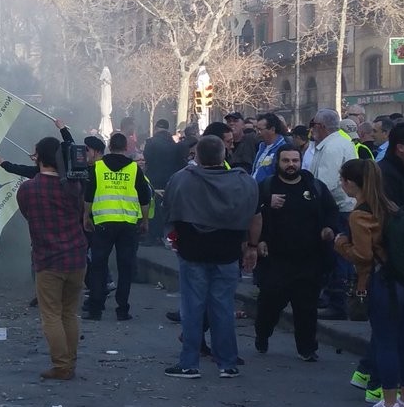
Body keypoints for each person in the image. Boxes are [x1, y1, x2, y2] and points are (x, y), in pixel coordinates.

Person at [164, 135, 258, 378]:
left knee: (192, 308)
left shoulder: (182, 179)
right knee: (223, 308)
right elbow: (254, 214)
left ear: (197, 156)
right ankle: (227, 363)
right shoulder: (243, 182)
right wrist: (251, 246)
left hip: (192, 251)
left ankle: (189, 363)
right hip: (227, 252)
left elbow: (170, 210)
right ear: (224, 155)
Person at [334, 159, 404, 407]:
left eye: (343, 180)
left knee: (385, 342)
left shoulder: (360, 214)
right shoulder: (391, 206)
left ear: (350, 183)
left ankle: (389, 403)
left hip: (382, 283)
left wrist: (340, 244)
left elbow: (363, 254)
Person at [249, 146, 338, 360]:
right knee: (269, 305)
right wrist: (259, 241)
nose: (291, 165)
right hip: (276, 259)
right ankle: (262, 334)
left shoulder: (314, 187)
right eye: (286, 161)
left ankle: (307, 348)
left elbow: (331, 211)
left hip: (309, 259)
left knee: (306, 308)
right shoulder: (267, 187)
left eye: (295, 160)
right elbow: (252, 212)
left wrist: (329, 228)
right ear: (278, 163)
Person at [16, 134, 87, 380]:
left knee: (51, 315)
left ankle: (61, 365)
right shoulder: (74, 186)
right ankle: (71, 361)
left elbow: (27, 214)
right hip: (76, 257)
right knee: (69, 313)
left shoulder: (28, 189)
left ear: (39, 158)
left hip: (48, 259)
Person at [83, 133, 151, 321]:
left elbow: (89, 195)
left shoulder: (97, 168)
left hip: (102, 223)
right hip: (128, 225)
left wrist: (86, 216)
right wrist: (145, 221)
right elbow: (144, 198)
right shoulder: (134, 169)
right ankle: (122, 310)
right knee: (125, 267)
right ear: (126, 148)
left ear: (110, 146)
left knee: (98, 266)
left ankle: (96, 309)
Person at [308, 108, 359, 320]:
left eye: (314, 126)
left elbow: (326, 184)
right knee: (337, 255)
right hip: (341, 208)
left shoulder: (332, 148)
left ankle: (338, 303)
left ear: (321, 127)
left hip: (338, 209)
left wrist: (312, 206)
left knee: (338, 255)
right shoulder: (335, 143)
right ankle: (331, 297)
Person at [251, 113, 288, 184]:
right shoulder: (261, 146)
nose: (257, 133)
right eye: (256, 129)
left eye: (260, 130)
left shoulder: (282, 150)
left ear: (272, 129)